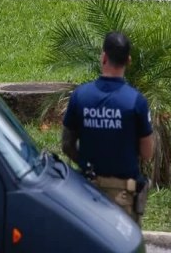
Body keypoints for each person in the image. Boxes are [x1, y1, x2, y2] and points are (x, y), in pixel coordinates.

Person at [61, 31, 154, 224]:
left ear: (103, 57)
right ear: (128, 60)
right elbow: (147, 153)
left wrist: (87, 165)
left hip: (87, 194)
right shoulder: (136, 102)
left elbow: (67, 145)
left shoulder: (80, 96)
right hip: (123, 198)